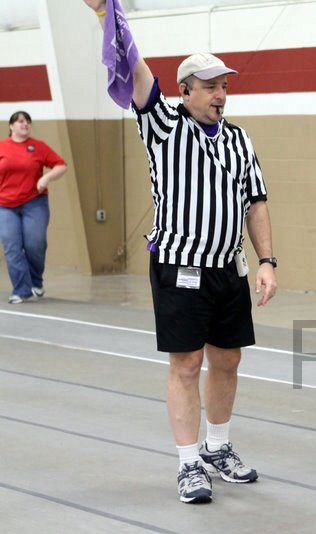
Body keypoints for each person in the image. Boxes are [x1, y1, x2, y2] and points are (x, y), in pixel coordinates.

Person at [84, 1, 278, 504]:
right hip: (179, 266)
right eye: (211, 86)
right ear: (186, 90)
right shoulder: (163, 124)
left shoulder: (239, 140)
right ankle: (189, 463)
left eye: (225, 85)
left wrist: (267, 261)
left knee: (228, 359)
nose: (221, 94)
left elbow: (255, 202)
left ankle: (218, 447)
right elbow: (135, 66)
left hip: (227, 269)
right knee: (187, 364)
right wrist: (106, 13)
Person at [0, 111, 67, 304]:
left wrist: (45, 178)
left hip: (33, 202)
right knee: (12, 247)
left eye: (27, 121)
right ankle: (21, 290)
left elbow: (61, 165)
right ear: (11, 126)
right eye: (20, 121)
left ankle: (36, 282)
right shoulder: (2, 147)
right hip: (5, 204)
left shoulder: (38, 147)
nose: (25, 124)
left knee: (34, 244)